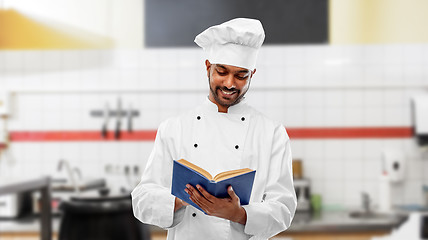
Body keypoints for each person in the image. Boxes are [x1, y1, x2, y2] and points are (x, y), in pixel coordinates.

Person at [131, 18, 297, 240]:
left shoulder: (272, 133)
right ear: (208, 67)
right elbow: (141, 199)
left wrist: (240, 214)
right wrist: (182, 198)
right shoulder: (174, 128)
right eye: (222, 71)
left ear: (252, 74)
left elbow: (284, 209)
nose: (230, 83)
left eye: (241, 75)